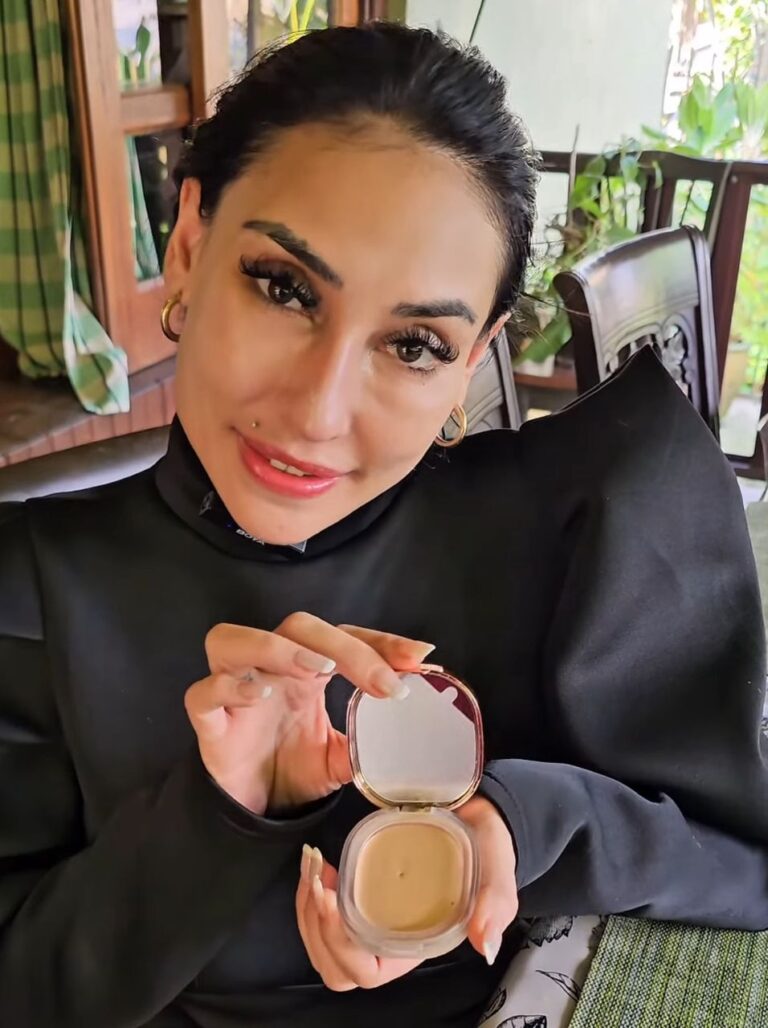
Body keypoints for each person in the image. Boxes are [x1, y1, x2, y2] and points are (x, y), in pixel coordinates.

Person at [0, 21, 766, 1028]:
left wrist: (517, 824)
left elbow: (739, 855)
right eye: (283, 288)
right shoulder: (31, 597)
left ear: (474, 357)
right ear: (187, 247)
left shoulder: (579, 529)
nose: (319, 412)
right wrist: (212, 814)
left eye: (413, 344)